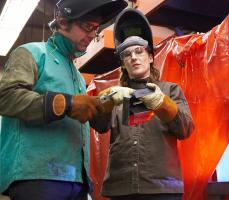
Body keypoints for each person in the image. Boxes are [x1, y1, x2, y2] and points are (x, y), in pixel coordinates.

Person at [0, 0, 127, 199]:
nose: (94, 34)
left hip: (76, 179)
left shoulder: (76, 74)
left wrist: (103, 107)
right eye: (88, 26)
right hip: (38, 176)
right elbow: (6, 96)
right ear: (62, 22)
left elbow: (84, 116)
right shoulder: (32, 53)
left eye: (96, 28)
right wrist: (67, 104)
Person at [90, 8, 195, 200]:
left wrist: (162, 103)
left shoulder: (170, 90)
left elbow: (186, 129)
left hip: (161, 189)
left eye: (139, 51)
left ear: (151, 57)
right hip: (121, 189)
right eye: (127, 54)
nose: (134, 57)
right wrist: (105, 101)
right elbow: (99, 125)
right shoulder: (115, 95)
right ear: (123, 63)